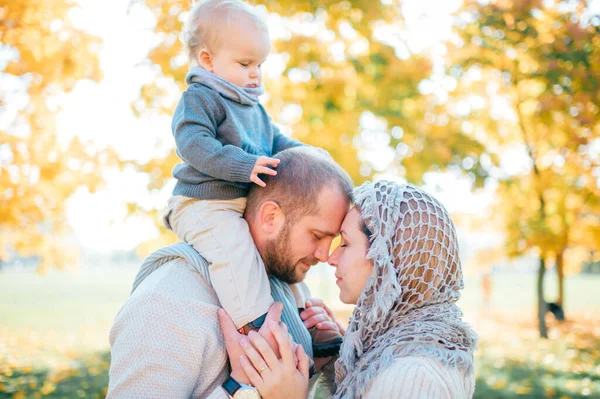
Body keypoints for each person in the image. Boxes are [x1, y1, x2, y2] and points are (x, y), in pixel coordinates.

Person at [162, 0, 342, 355]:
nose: (255, 74)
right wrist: (243, 165)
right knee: (237, 254)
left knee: (282, 259)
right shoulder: (200, 98)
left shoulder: (252, 107)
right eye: (245, 64)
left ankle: (305, 322)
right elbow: (193, 144)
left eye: (259, 64)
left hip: (238, 203)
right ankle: (261, 331)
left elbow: (277, 143)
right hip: (204, 202)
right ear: (208, 59)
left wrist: (309, 154)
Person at [107, 147, 353, 398]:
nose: (325, 255)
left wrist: (328, 361)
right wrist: (240, 389)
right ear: (270, 217)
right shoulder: (166, 301)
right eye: (317, 236)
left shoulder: (286, 290)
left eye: (332, 240)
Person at [223, 181, 479, 398]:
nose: (330, 257)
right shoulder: (402, 346)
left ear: (387, 260)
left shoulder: (415, 376)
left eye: (345, 243)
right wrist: (339, 358)